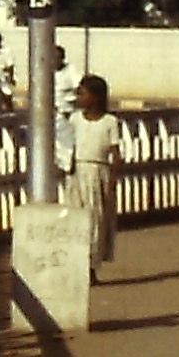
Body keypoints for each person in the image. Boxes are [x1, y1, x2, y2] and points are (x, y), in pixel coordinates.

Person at [63, 74, 122, 276]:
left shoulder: (109, 122)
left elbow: (115, 153)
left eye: (82, 93)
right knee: (75, 218)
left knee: (95, 220)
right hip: (77, 173)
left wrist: (113, 179)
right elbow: (67, 146)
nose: (78, 98)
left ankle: (91, 266)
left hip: (98, 173)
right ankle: (76, 265)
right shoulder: (75, 120)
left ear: (95, 97)